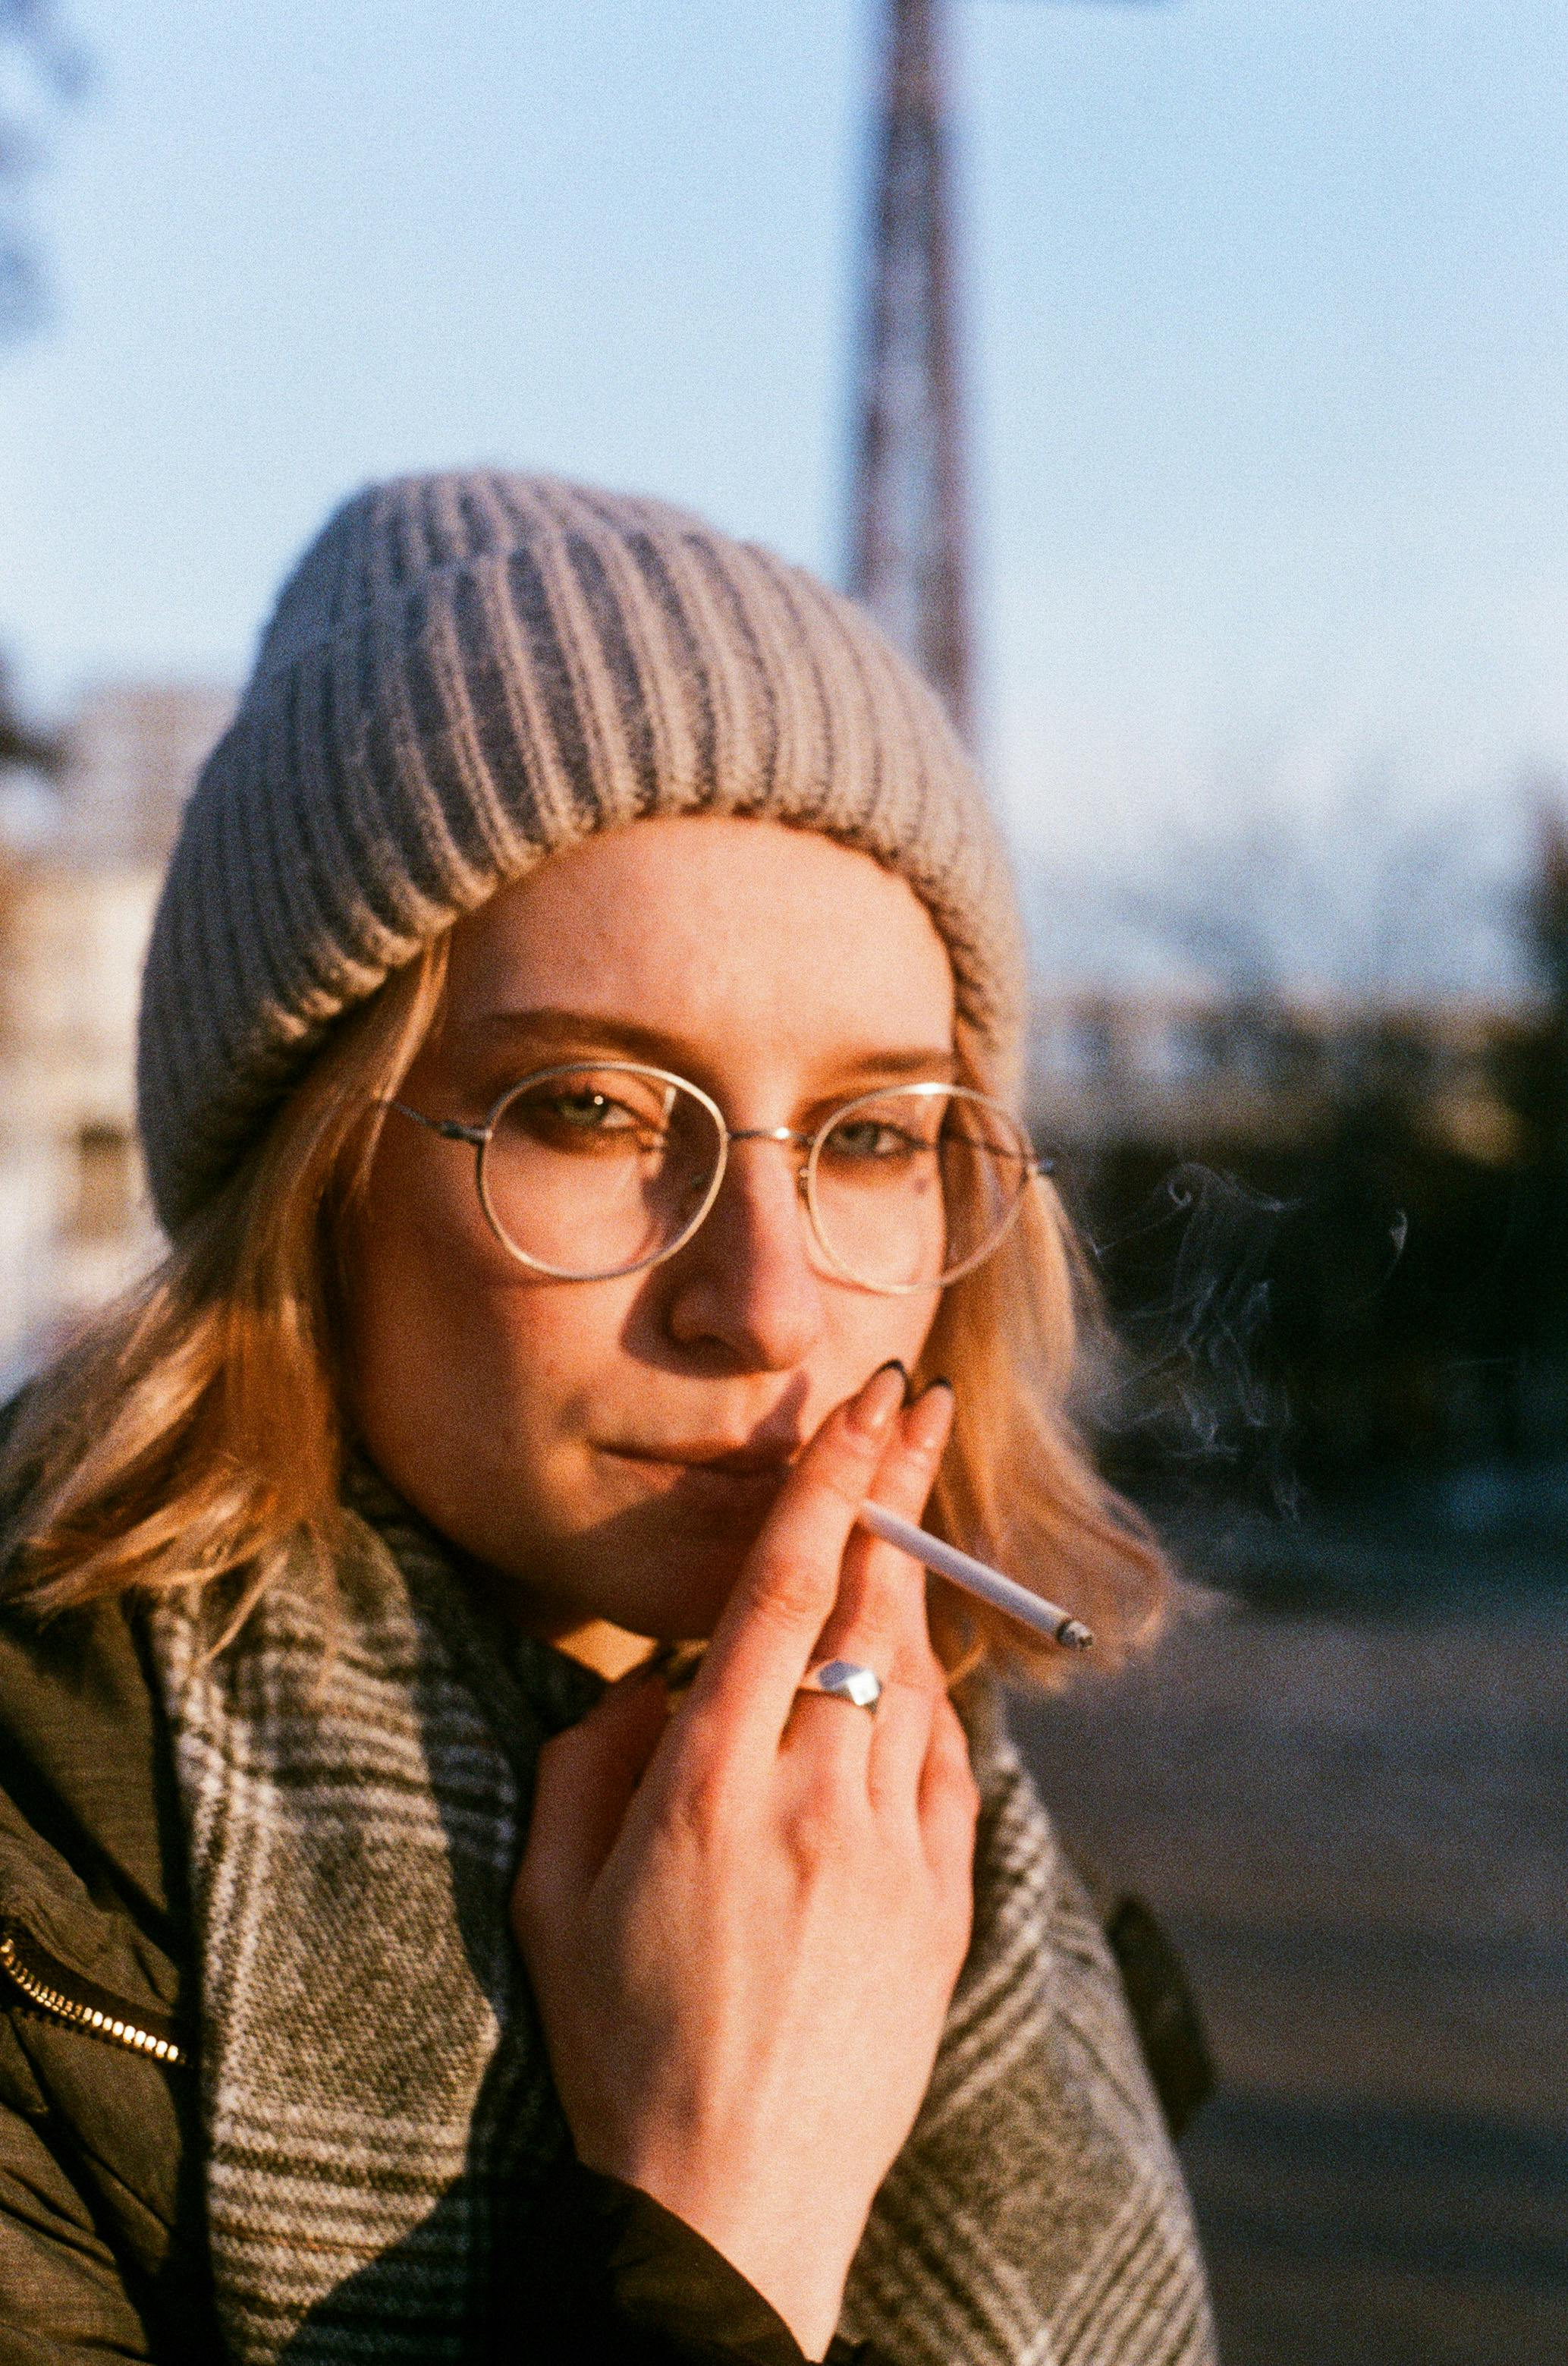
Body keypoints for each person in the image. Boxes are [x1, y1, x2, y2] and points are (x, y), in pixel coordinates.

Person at [0, 474, 1216, 2366]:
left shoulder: (939, 1849)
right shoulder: (47, 1899)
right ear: (309, 1170)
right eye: (587, 1109)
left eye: (874, 1134)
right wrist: (717, 2209)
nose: (768, 1300)